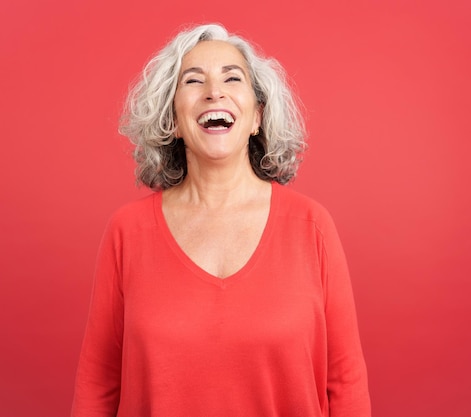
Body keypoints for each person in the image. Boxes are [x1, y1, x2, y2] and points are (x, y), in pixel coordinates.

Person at [71, 23, 370, 417]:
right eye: (193, 81)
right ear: (172, 122)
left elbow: (345, 383)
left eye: (233, 77)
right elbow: (98, 386)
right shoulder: (127, 231)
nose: (215, 90)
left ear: (257, 117)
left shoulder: (312, 226)